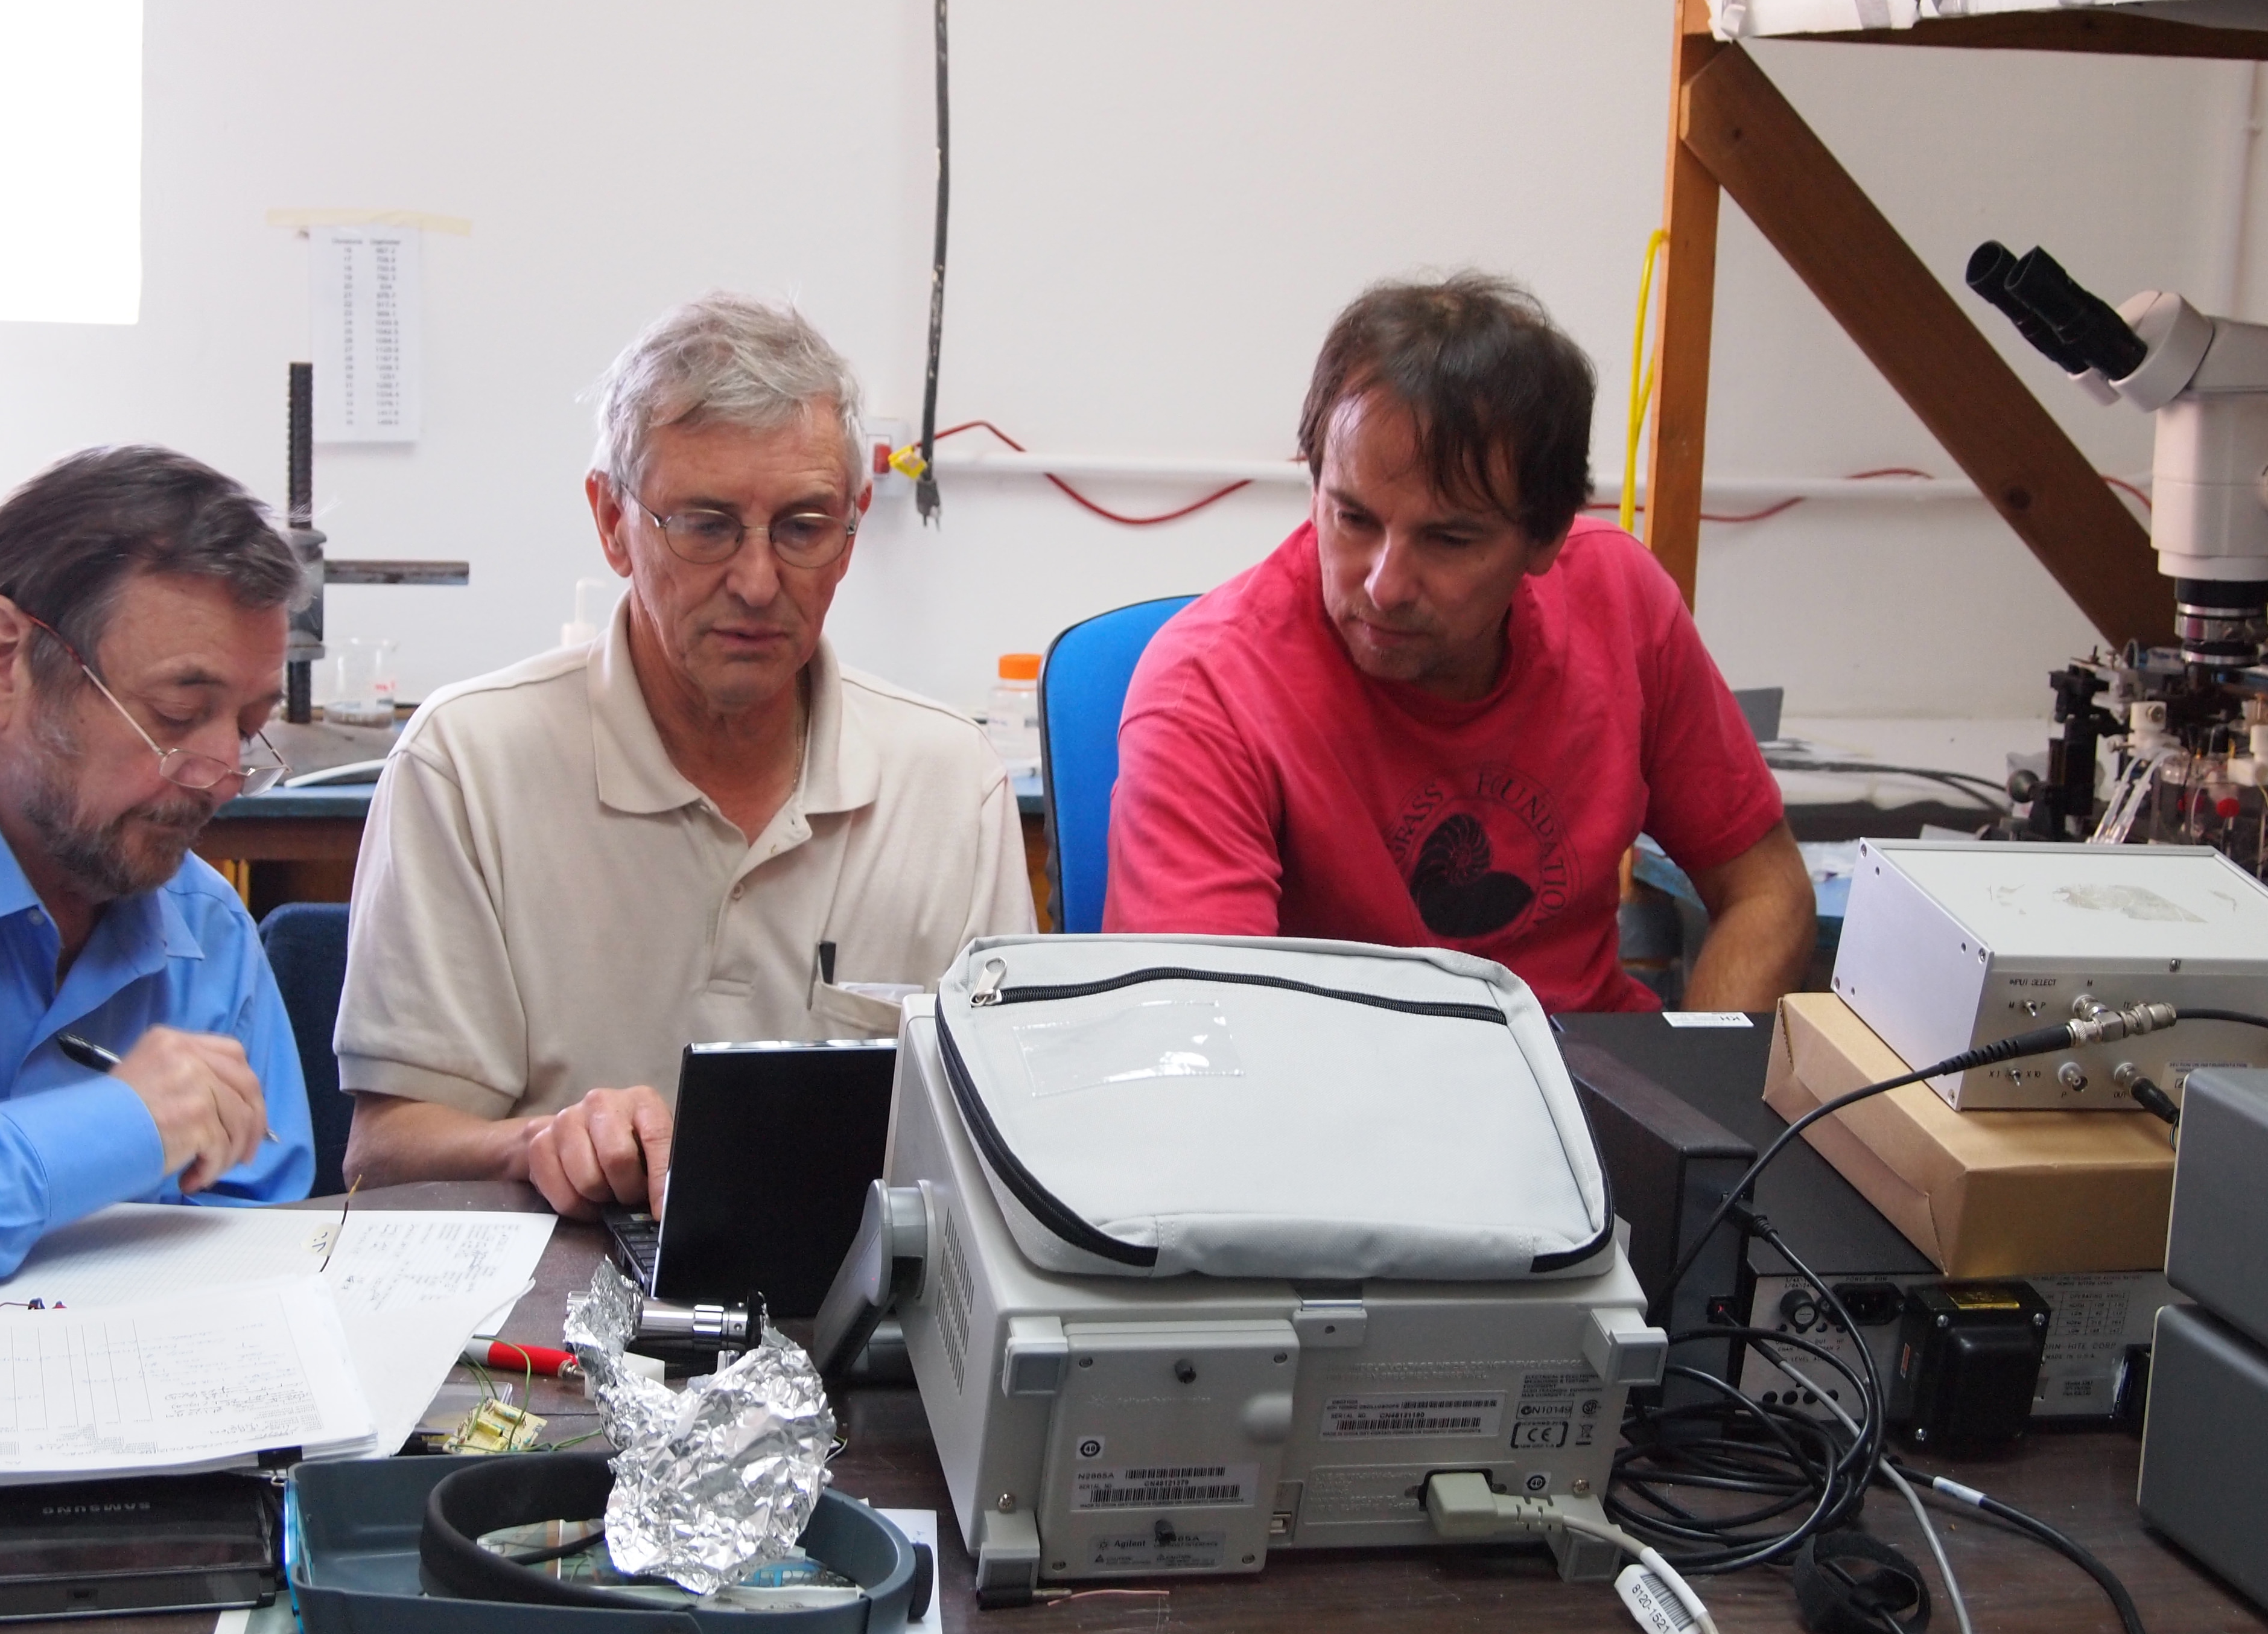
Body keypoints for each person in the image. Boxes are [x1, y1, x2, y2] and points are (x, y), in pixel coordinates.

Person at [337, 292, 1034, 1218]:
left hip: (852, 1320)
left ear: (855, 522)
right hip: (547, 1322)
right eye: (704, 525)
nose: (756, 581)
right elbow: (385, 1153)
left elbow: (1012, 1139)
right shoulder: (466, 764)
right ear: (611, 522)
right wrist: (539, 1144)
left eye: (803, 527)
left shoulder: (949, 784)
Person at [1104, 272, 1813, 1013]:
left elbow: (1767, 889)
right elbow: (1211, 1030)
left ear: (1545, 538)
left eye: (1447, 539)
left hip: (1592, 1092)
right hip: (1336, 1104)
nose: (1384, 584)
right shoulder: (1209, 686)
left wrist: (1693, 1107)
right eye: (1353, 519)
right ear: (1316, 485)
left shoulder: (1620, 599)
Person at [0, 447, 315, 1295]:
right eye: (177, 712)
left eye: (247, 727)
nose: (222, 774)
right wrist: (111, 1131)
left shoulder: (205, 931)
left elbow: (255, 1253)